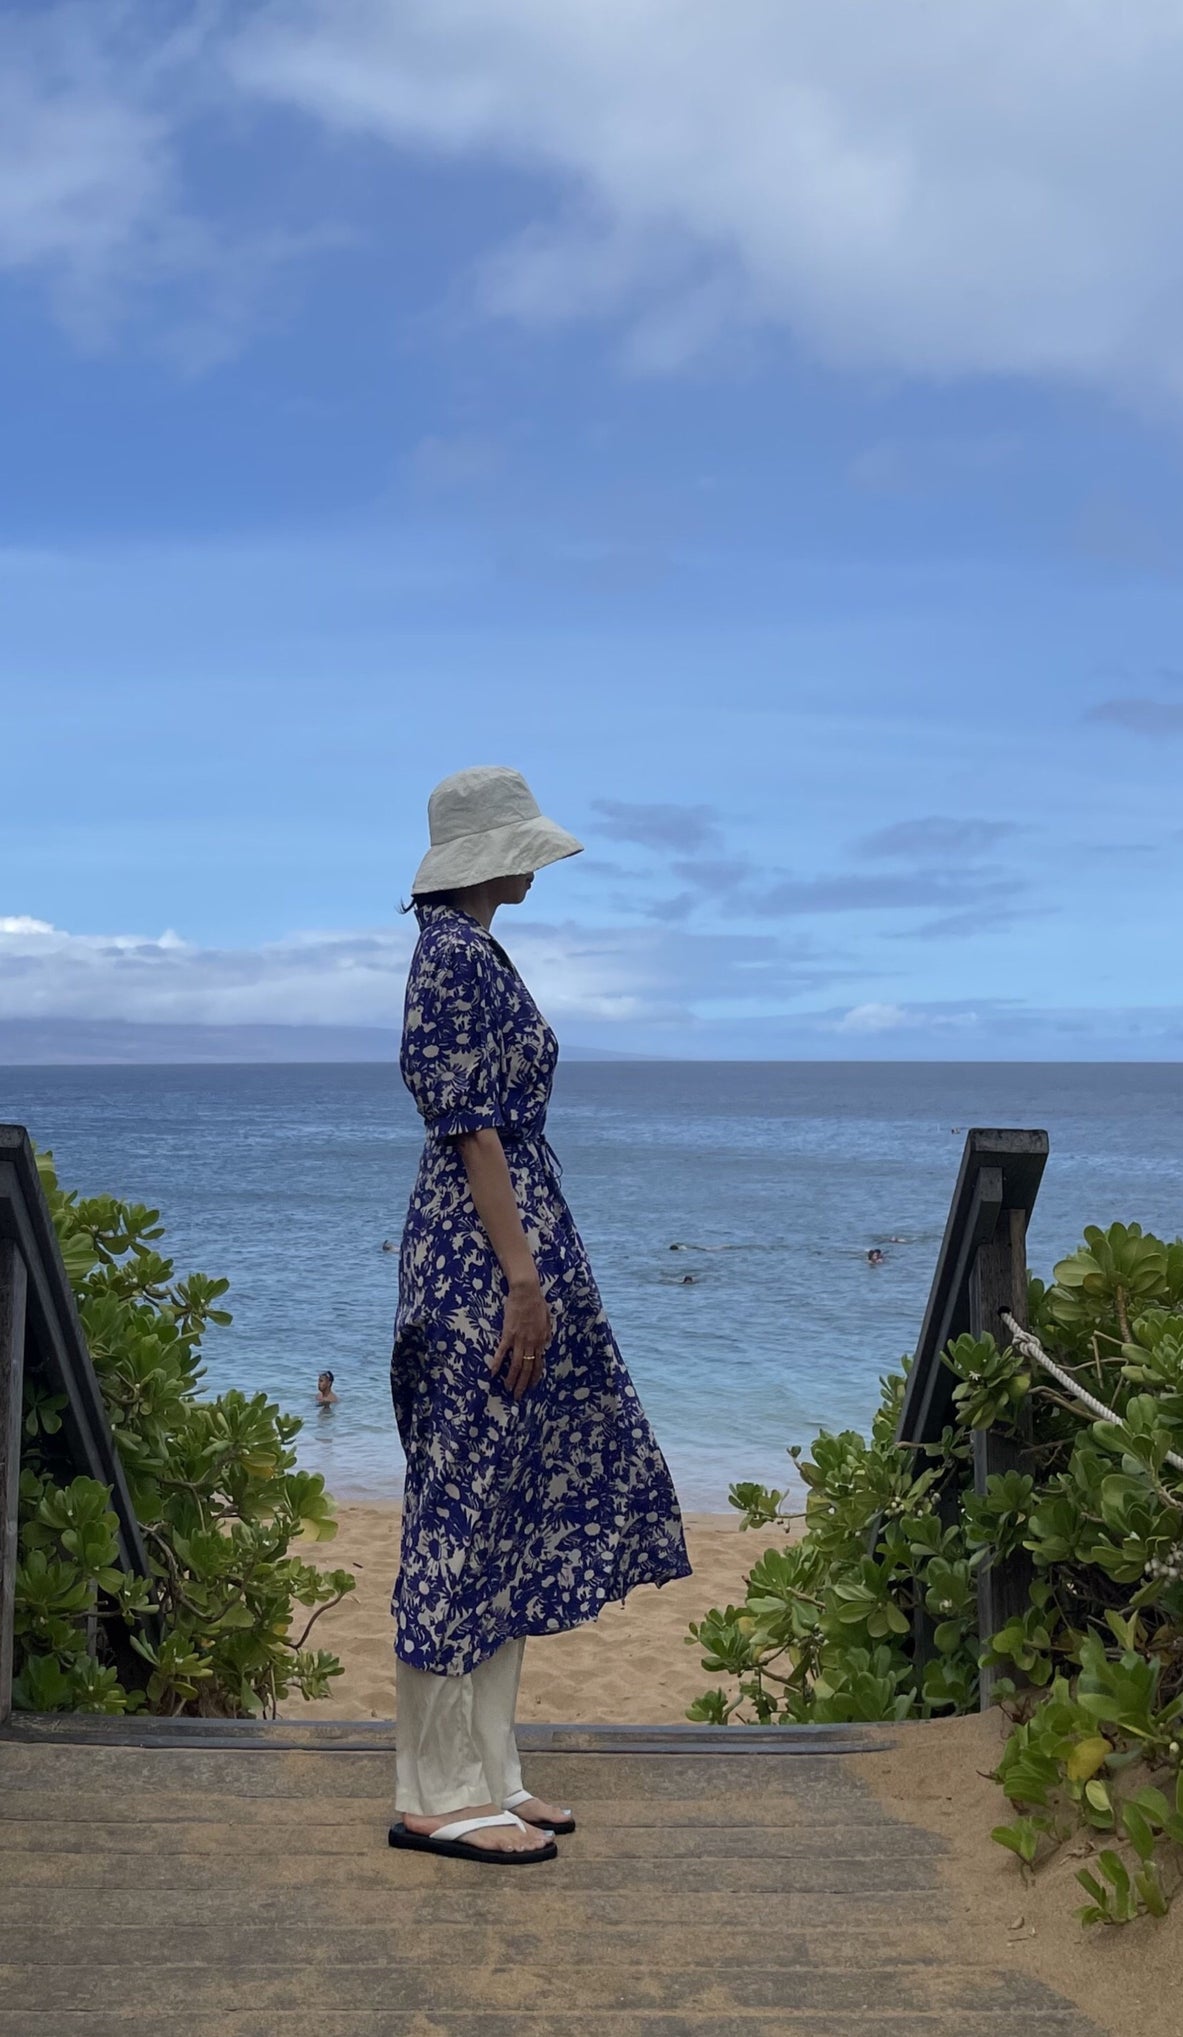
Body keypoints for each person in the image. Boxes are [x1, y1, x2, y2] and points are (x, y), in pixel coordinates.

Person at [388, 765, 691, 1868]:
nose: (535, 860)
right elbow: (471, 1130)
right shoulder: (451, 957)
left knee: (502, 1503)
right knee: (461, 1510)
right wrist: (521, 1279)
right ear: (483, 855)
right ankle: (433, 1791)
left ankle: (489, 1771)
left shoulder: (475, 949)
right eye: (520, 843)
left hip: (507, 1238)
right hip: (483, 1258)